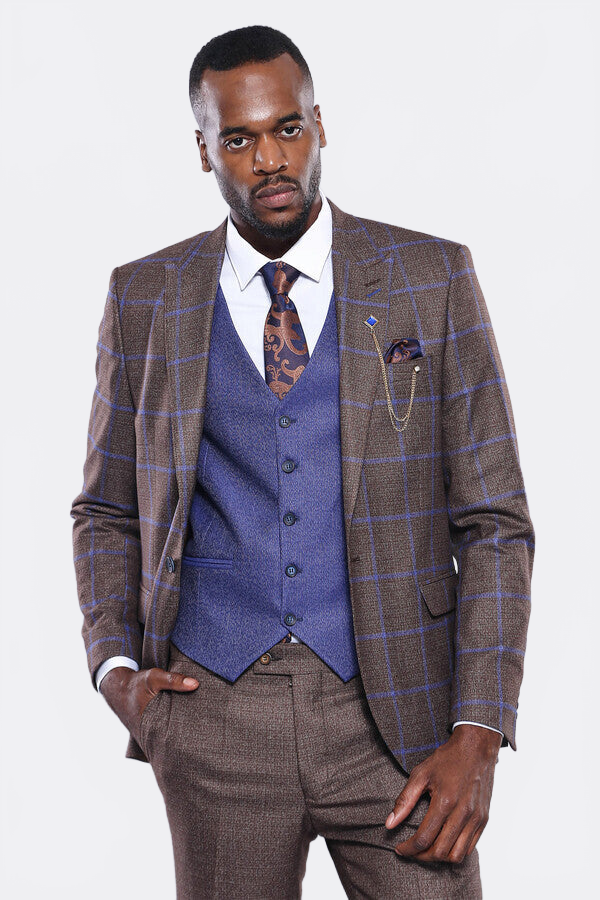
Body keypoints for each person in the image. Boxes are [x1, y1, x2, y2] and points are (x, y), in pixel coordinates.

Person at [70, 24, 534, 900]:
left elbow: (495, 522)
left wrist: (479, 729)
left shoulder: (429, 276)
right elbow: (106, 508)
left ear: (320, 124)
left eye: (288, 128)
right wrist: (115, 671)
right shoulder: (145, 295)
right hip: (214, 719)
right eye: (238, 139)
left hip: (400, 721)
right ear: (203, 150)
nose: (270, 159)